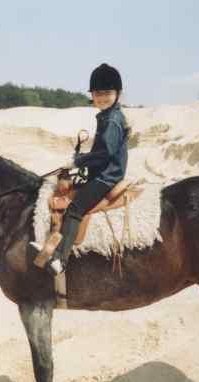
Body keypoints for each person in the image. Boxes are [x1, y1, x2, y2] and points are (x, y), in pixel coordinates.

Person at [34, 63, 130, 276]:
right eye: (98, 93)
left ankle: (60, 259)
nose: (102, 98)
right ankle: (48, 240)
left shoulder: (113, 119)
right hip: (100, 170)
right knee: (62, 185)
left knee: (75, 209)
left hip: (107, 176)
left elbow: (105, 153)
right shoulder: (106, 115)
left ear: (118, 93)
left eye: (107, 93)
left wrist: (78, 162)